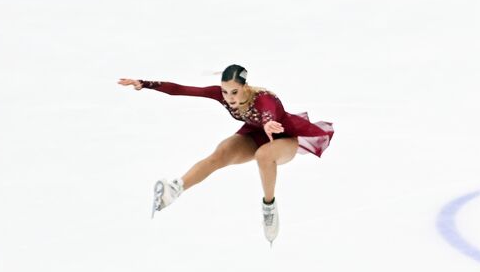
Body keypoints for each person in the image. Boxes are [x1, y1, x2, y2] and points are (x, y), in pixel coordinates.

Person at [118, 64, 334, 244]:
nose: (229, 97)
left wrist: (268, 123)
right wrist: (144, 83)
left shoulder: (263, 98)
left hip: (284, 138)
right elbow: (182, 89)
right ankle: (175, 189)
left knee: (263, 155)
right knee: (221, 152)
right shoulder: (221, 95)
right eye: (224, 92)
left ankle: (269, 208)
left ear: (245, 87)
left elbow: (268, 112)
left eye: (234, 92)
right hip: (254, 134)